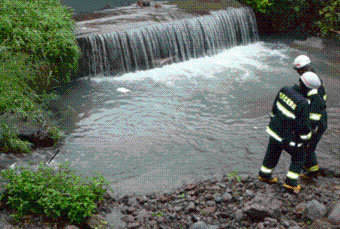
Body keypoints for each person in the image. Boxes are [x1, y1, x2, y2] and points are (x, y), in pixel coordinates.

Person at [258, 72, 321, 194]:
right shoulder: (303, 103)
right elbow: (302, 128)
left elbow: (274, 109)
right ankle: (290, 183)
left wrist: (273, 122)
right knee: (299, 156)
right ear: (308, 88)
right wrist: (306, 139)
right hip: (288, 138)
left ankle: (264, 175)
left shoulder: (284, 90)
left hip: (274, 130)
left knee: (272, 152)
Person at [293, 55, 328, 179]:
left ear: (302, 69)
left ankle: (312, 173)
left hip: (318, 122)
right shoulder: (312, 79)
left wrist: (311, 128)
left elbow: (316, 109)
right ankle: (310, 168)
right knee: (307, 146)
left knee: (309, 147)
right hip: (318, 118)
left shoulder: (312, 85)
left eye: (298, 71)